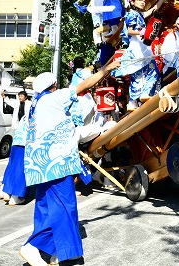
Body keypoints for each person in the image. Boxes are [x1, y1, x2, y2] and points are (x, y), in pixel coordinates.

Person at [20, 60, 120, 266]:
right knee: (66, 207)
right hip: (57, 163)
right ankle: (34, 247)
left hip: (40, 165)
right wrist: (106, 70)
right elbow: (84, 85)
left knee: (45, 207)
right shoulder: (55, 98)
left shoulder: (35, 103)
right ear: (54, 86)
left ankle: (52, 253)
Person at [113, 0, 164, 110]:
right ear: (132, 2)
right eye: (140, 0)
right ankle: (145, 93)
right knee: (154, 71)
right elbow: (130, 31)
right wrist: (141, 31)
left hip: (141, 47)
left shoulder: (139, 15)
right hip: (138, 47)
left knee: (138, 74)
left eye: (143, 0)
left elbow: (153, 10)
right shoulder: (131, 14)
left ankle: (132, 102)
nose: (142, 2)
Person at [0, 90, 31, 206]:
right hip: (25, 143)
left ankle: (5, 191)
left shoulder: (27, 110)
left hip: (17, 140)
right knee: (21, 168)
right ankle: (16, 196)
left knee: (12, 165)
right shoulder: (34, 113)